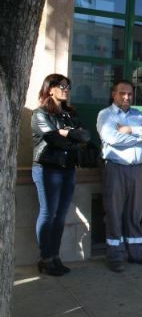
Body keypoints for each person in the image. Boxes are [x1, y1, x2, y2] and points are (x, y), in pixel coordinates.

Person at [97, 80, 142, 272]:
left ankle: (137, 253)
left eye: (130, 94)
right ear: (113, 94)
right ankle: (115, 256)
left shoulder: (137, 114)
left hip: (136, 169)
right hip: (115, 168)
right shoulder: (105, 115)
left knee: (135, 211)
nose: (126, 97)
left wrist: (131, 130)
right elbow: (112, 138)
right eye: (122, 93)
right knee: (114, 212)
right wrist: (140, 138)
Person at [31, 74, 90, 276]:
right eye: (62, 86)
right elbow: (53, 140)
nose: (66, 90)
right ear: (50, 89)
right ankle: (45, 258)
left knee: (61, 215)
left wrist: (67, 132)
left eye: (68, 87)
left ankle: (55, 256)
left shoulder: (70, 114)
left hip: (68, 168)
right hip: (47, 169)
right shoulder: (40, 114)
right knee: (48, 213)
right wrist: (72, 137)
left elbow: (86, 136)